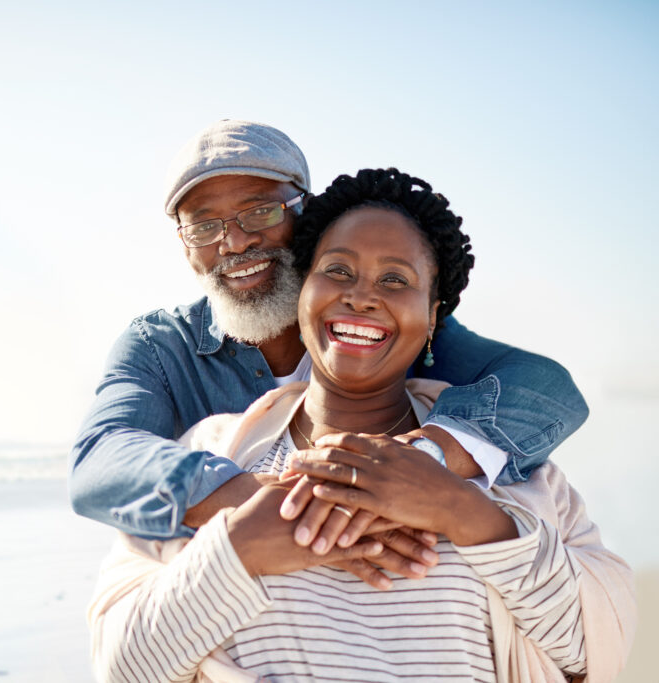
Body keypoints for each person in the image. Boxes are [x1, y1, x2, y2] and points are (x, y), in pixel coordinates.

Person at [87, 168, 635, 682]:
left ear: (434, 317)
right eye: (338, 271)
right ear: (302, 293)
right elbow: (124, 664)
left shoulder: (510, 469)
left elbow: (593, 646)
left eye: (395, 279)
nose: (362, 295)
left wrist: (459, 507)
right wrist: (239, 547)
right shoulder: (210, 456)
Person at [69, 120, 589, 566]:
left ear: (305, 216)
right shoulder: (160, 347)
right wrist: (267, 502)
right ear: (185, 249)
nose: (235, 241)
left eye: (260, 212)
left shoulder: (384, 327)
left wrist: (422, 460)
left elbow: (545, 389)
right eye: (204, 227)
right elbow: (100, 460)